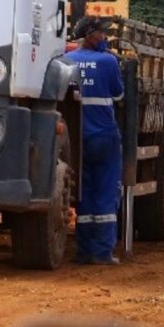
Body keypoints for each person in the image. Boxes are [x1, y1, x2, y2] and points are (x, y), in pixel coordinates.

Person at [66, 16, 124, 265]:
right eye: (101, 33)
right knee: (106, 192)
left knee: (84, 194)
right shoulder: (108, 61)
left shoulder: (66, 61)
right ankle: (101, 253)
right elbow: (119, 93)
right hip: (103, 137)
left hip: (77, 140)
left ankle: (83, 251)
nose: (104, 37)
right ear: (89, 35)